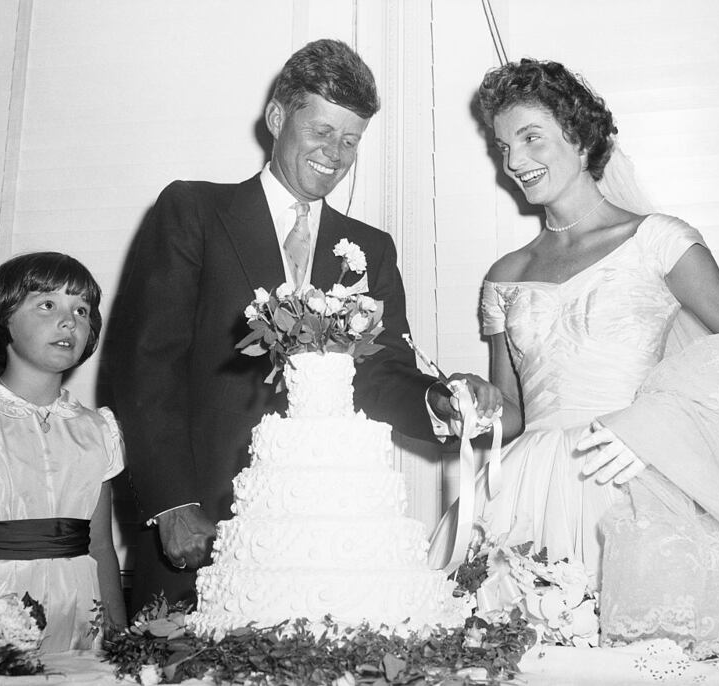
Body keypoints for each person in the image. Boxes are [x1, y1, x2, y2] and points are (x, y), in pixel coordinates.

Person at [109, 38, 500, 614]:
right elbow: (147, 364)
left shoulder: (371, 249)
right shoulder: (194, 211)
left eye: (350, 140)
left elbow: (382, 374)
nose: (335, 154)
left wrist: (440, 402)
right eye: (321, 132)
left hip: (326, 545)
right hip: (202, 524)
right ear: (276, 118)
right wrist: (171, 503)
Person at [428, 58, 719, 665]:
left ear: (582, 136)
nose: (514, 162)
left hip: (634, 484)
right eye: (502, 145)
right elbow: (510, 415)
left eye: (531, 137)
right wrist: (461, 398)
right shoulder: (504, 276)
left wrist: (658, 423)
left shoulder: (661, 241)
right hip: (523, 494)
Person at [0, 252, 126, 652]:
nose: (70, 321)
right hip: (0, 605)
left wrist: (117, 635)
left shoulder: (97, 430)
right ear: (3, 317)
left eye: (81, 310)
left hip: (81, 612)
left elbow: (100, 546)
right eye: (47, 305)